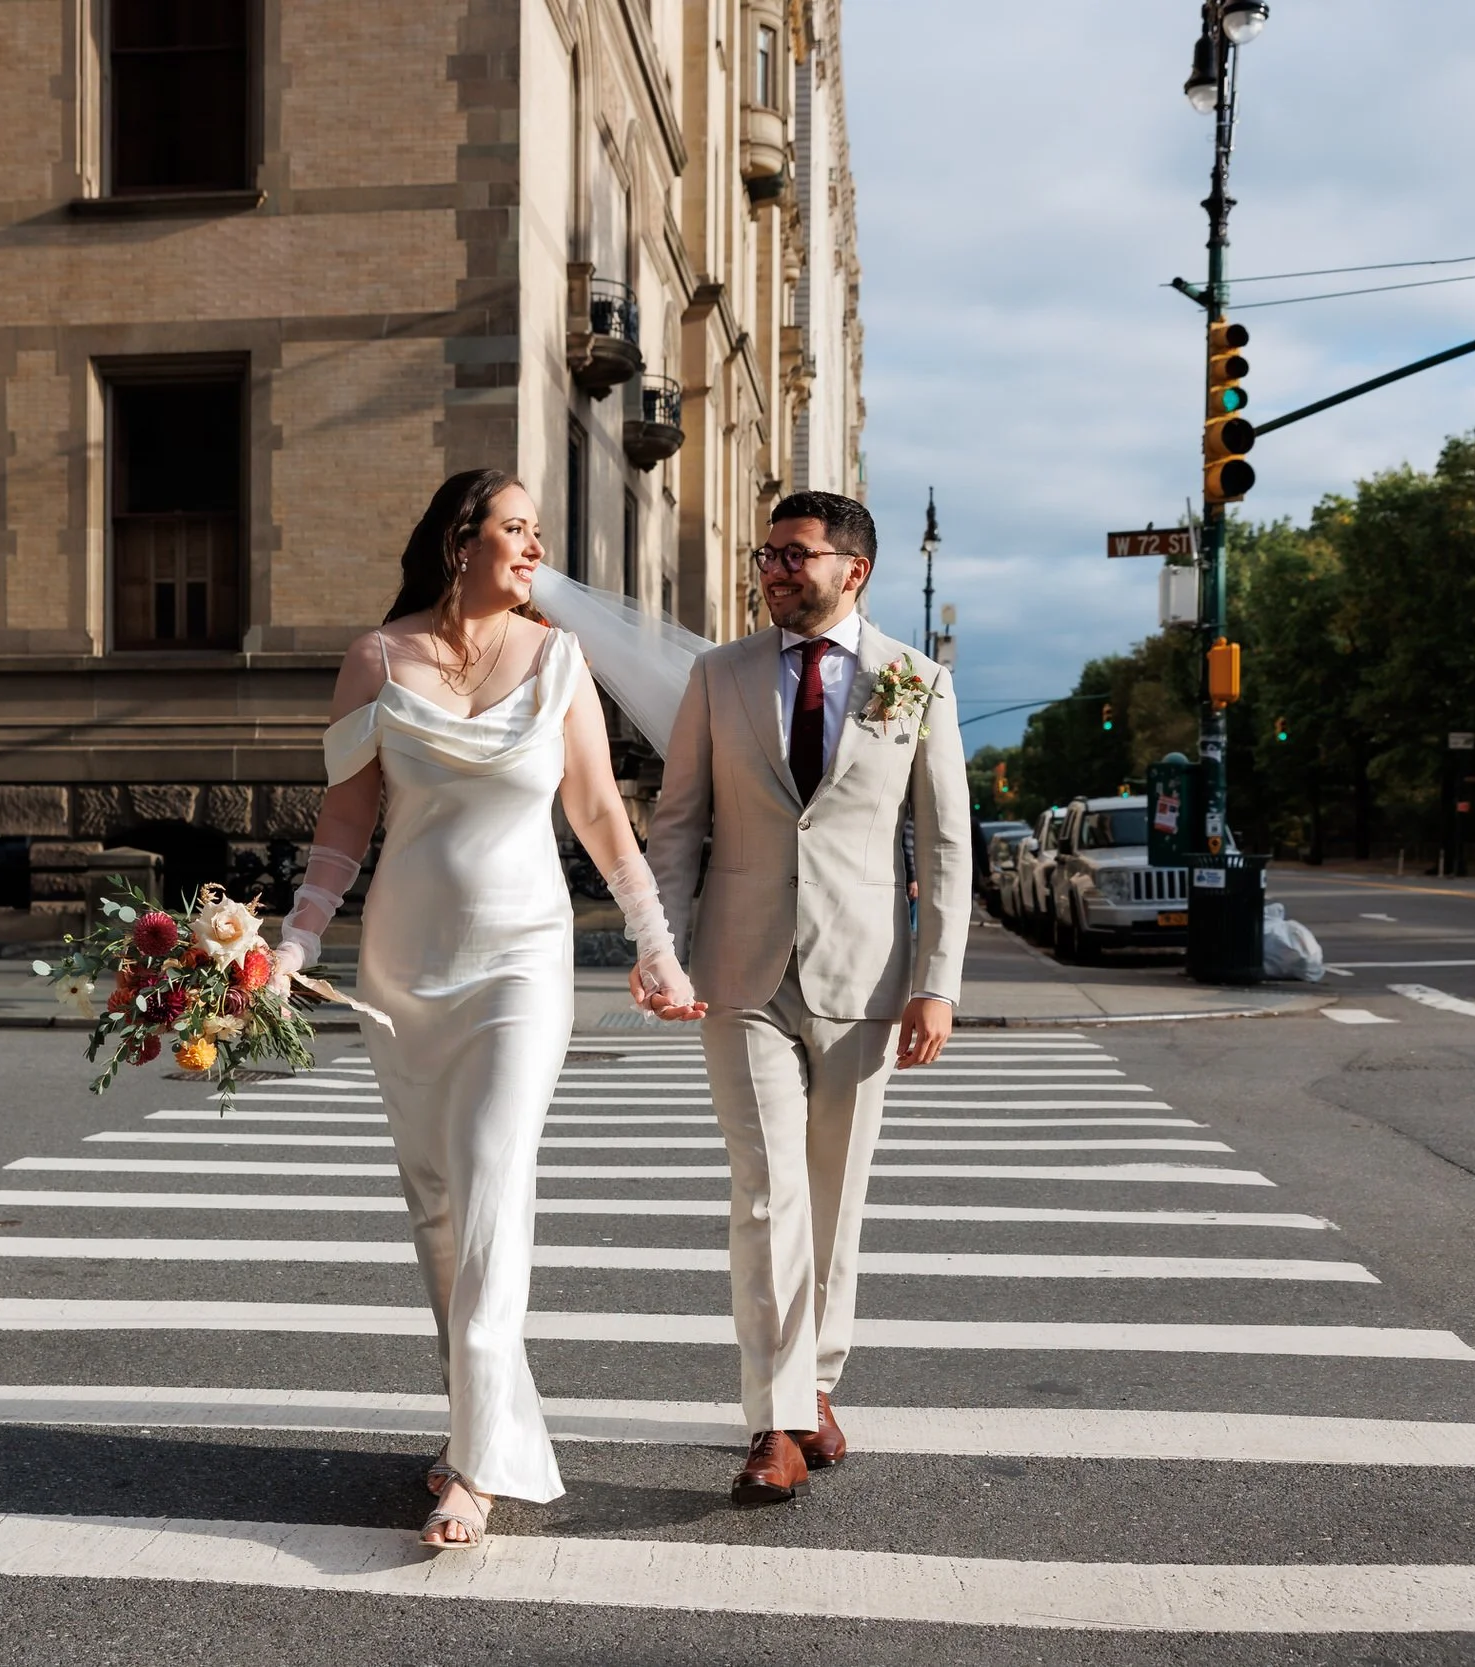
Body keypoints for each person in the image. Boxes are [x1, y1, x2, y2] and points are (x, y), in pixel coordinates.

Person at [270, 468, 704, 1550]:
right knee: (438, 1208)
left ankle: (472, 1466)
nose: (532, 547)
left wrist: (655, 945)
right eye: (515, 528)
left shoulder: (560, 656)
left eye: (536, 532)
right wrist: (289, 945)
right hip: (404, 965)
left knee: (493, 1181)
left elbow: (602, 811)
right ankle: (485, 1416)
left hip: (522, 957)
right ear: (459, 539)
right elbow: (345, 822)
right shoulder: (376, 658)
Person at [643, 489, 969, 1506]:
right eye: (767, 554)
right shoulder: (718, 674)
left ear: (852, 570)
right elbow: (679, 822)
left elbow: (946, 840)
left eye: (795, 555)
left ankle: (817, 1383)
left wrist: (938, 984)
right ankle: (777, 1420)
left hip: (867, 975)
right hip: (740, 970)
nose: (775, 570)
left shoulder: (915, 681)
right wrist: (662, 944)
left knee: (835, 1201)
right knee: (767, 1193)